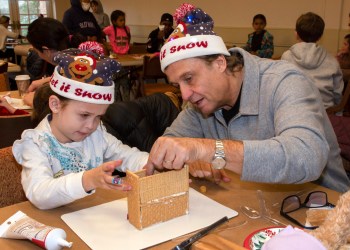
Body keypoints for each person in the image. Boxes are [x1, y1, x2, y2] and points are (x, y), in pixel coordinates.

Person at [144, 3, 350, 193]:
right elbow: (170, 143)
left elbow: (307, 156)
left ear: (219, 63)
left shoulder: (285, 81)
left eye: (189, 78)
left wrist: (208, 150)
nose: (185, 94)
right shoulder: (198, 103)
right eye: (177, 85)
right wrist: (188, 158)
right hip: (254, 203)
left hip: (324, 207)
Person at [12, 51, 149, 210]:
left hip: (89, 220)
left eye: (99, 116)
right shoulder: (35, 143)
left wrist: (152, 163)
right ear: (56, 105)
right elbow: (39, 193)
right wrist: (87, 180)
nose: (91, 125)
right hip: (56, 223)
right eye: (84, 115)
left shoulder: (96, 134)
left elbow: (127, 156)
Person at [281, 12, 344, 110]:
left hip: (295, 110)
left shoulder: (286, 57)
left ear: (296, 34)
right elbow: (337, 92)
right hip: (325, 112)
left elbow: (282, 86)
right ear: (320, 36)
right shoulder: (332, 61)